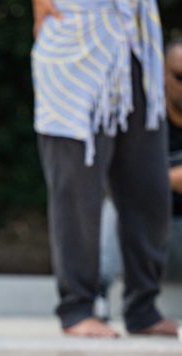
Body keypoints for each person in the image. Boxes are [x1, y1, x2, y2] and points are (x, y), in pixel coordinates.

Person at [31, 0, 177, 337]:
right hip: (78, 49)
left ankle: (143, 309)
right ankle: (77, 308)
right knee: (77, 193)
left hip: (137, 47)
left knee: (149, 189)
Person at [98, 38, 182, 313]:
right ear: (161, 75)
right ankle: (98, 297)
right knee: (114, 207)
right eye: (180, 76)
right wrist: (167, 180)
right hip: (146, 237)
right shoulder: (140, 121)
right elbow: (110, 181)